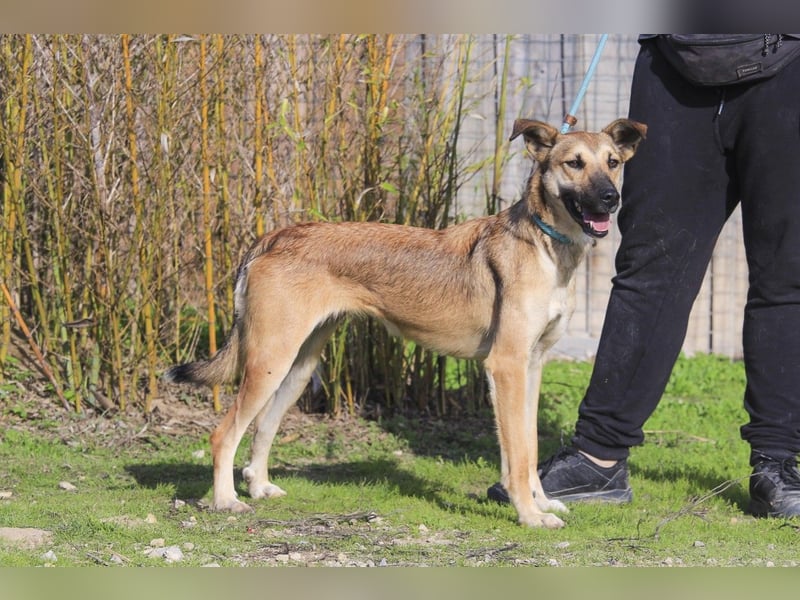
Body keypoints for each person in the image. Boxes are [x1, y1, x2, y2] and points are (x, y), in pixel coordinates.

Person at [488, 34, 800, 518]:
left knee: (788, 274)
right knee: (651, 271)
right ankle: (598, 457)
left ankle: (776, 465)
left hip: (789, 65)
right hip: (675, 68)